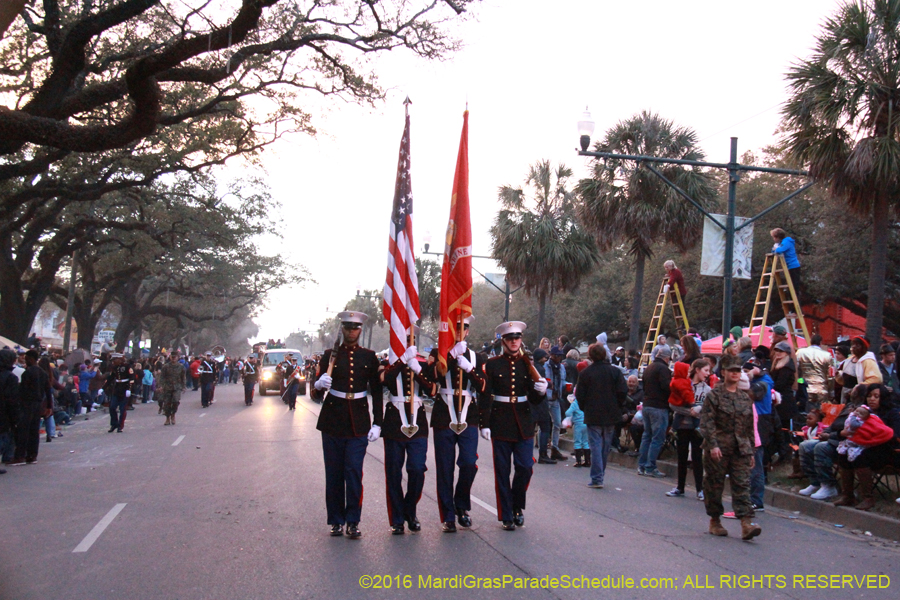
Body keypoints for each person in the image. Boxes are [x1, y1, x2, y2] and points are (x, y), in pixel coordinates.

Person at [313, 311, 383, 539]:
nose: (351, 331)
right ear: (342, 328)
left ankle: (353, 520)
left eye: (355, 327)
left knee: (353, 472)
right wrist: (318, 384)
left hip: (358, 422)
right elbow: (315, 395)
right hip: (332, 420)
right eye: (347, 327)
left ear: (360, 330)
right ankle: (335, 520)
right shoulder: (329, 356)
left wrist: (378, 423)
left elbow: (378, 392)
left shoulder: (369, 357)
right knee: (333, 474)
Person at [480, 321, 548, 530]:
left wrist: (540, 390)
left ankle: (517, 505)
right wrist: (484, 423)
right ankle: (507, 514)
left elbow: (534, 398)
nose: (514, 342)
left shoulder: (527, 364)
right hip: (500, 421)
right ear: (503, 341)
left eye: (517, 338)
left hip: (523, 421)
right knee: (502, 470)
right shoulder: (492, 365)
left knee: (525, 467)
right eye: (510, 339)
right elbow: (485, 396)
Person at [423, 315, 486, 533]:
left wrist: (469, 368)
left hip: (468, 416)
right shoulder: (437, 354)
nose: (460, 331)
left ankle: (461, 504)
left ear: (468, 331)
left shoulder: (477, 357)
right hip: (444, 413)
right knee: (445, 467)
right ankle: (448, 515)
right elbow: (431, 380)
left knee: (469, 463)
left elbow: (484, 387)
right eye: (456, 327)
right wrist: (449, 356)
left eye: (464, 327)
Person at [380, 329, 436, 535]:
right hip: (395, 421)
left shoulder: (420, 363)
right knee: (394, 472)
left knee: (417, 469)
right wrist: (402, 360)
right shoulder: (386, 363)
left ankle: (410, 510)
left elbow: (432, 390)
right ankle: (397, 519)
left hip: (418, 422)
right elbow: (385, 380)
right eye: (401, 340)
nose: (405, 343)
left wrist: (417, 370)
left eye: (408, 339)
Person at [700, 355, 761, 541]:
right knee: (714, 484)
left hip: (740, 449)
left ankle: (746, 523)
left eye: (738, 371)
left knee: (742, 484)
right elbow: (707, 423)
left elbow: (749, 427)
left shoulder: (744, 398)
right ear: (723, 372)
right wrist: (712, 445)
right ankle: (715, 520)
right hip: (719, 447)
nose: (735, 373)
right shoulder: (714, 396)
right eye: (732, 370)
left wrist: (751, 450)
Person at [566, 343, 627, 489]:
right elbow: (622, 391)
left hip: (593, 413)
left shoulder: (586, 373)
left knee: (596, 445)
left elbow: (579, 395)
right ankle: (600, 473)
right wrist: (617, 406)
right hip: (611, 413)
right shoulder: (615, 372)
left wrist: (585, 408)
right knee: (605, 446)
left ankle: (597, 477)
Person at [833, 384, 900, 510]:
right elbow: (848, 429)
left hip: (886, 450)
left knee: (860, 457)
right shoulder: (861, 411)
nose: (872, 399)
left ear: (883, 398)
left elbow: (895, 435)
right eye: (869, 396)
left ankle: (868, 498)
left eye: (876, 396)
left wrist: (873, 434)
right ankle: (848, 495)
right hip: (860, 445)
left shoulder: (892, 413)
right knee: (844, 455)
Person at [667, 359, 710, 499]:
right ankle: (680, 487)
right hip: (682, 426)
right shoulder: (682, 383)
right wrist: (689, 412)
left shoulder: (707, 389)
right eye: (706, 370)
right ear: (697, 370)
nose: (708, 374)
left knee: (697, 457)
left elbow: (710, 407)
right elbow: (673, 405)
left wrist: (699, 409)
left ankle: (700, 489)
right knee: (682, 456)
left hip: (698, 428)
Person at [639, 345, 672, 478]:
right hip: (658, 406)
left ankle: (641, 465)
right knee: (657, 438)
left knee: (647, 436)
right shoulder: (663, 369)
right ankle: (650, 466)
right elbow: (666, 387)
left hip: (647, 405)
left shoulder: (649, 368)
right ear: (667, 357)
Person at [12, 350, 48, 464]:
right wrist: (49, 406)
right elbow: (47, 390)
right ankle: (32, 455)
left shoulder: (27, 373)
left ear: (31, 359)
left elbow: (23, 390)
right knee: (34, 430)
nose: (25, 361)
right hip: (38, 404)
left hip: (27, 404)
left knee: (23, 430)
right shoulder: (43, 373)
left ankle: (20, 455)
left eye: (27, 358)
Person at [796, 334, 833, 408]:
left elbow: (796, 370)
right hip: (821, 388)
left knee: (805, 412)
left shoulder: (800, 352)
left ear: (810, 341)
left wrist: (799, 383)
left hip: (805, 387)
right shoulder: (827, 355)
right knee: (820, 412)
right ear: (821, 342)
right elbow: (831, 376)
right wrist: (831, 391)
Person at [545, 346, 568, 461]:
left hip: (556, 399)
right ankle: (543, 448)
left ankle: (555, 448)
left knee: (557, 423)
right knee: (544, 424)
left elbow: (563, 382)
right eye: (557, 355)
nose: (559, 358)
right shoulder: (545, 366)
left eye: (561, 356)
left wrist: (568, 386)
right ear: (552, 355)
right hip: (546, 399)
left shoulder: (561, 368)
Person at [0, 348, 20, 470]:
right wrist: (15, 418)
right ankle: (7, 456)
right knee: (3, 438)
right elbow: (11, 400)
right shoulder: (10, 378)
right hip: (3, 414)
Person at [104, 353, 133, 433]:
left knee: (122, 409)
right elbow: (110, 378)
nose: (113, 362)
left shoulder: (127, 366)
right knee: (112, 407)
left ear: (120, 359)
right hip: (117, 389)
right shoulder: (114, 368)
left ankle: (120, 426)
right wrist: (103, 388)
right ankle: (114, 424)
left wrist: (129, 389)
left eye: (115, 360)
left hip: (125, 388)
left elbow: (132, 378)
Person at [158, 351, 186, 426]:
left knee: (176, 401)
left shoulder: (181, 366)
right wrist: (160, 386)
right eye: (172, 357)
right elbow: (162, 377)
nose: (173, 358)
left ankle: (173, 414)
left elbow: (183, 377)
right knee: (167, 403)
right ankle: (167, 417)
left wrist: (184, 386)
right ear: (170, 357)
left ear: (177, 357)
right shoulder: (165, 366)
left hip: (177, 387)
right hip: (167, 387)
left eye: (175, 357)